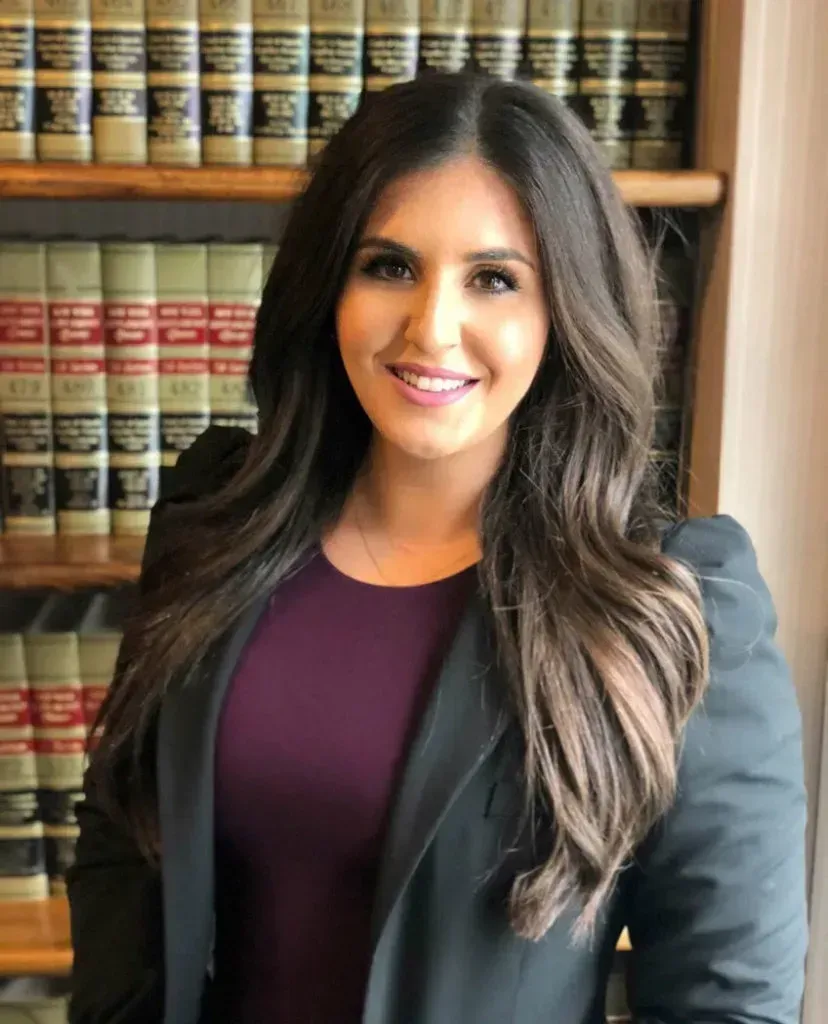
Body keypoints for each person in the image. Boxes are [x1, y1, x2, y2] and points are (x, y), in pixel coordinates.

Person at [67, 74, 808, 1024]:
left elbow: (728, 1002)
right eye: (389, 266)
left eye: (494, 279)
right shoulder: (219, 516)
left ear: (565, 311)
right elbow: (125, 833)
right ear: (329, 284)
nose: (431, 329)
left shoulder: (677, 599)